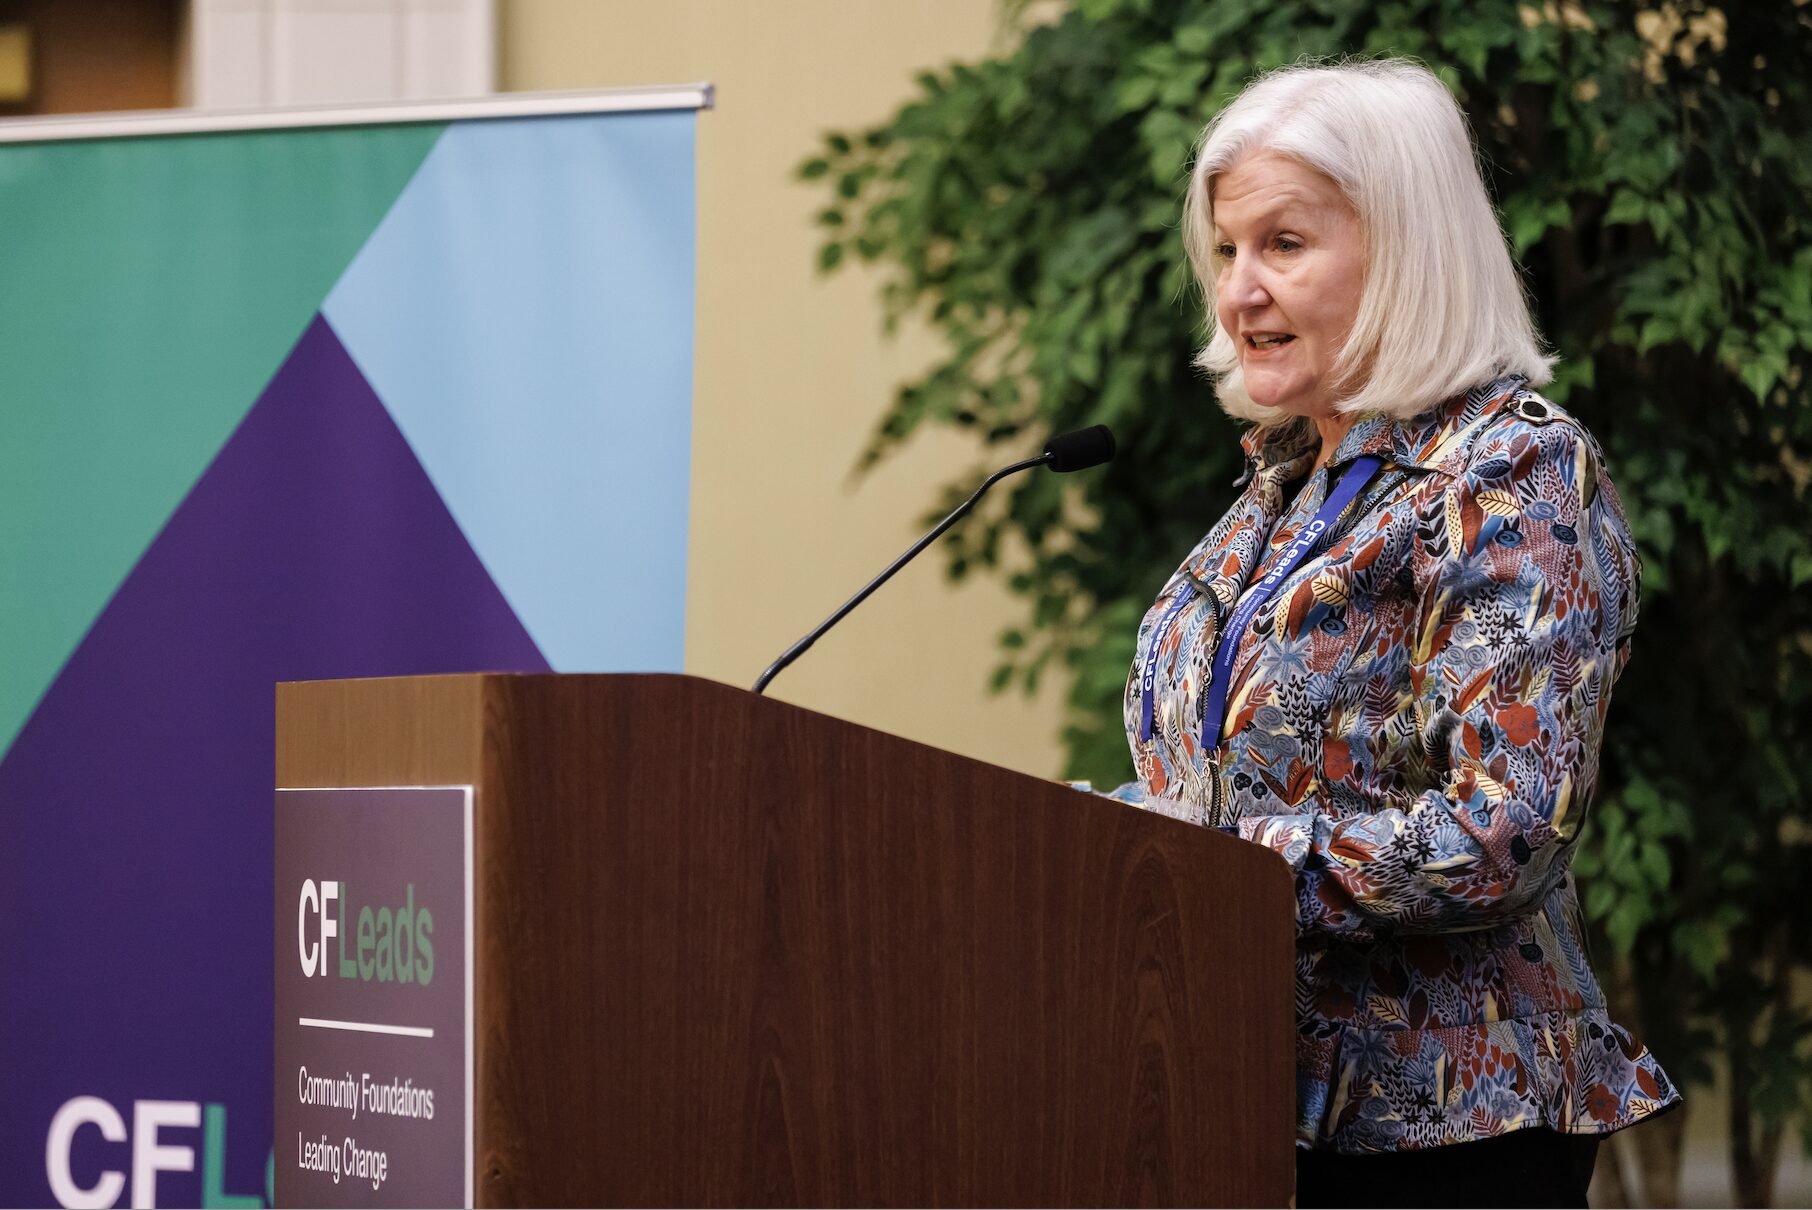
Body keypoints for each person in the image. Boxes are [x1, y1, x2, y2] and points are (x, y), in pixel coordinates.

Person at [1114, 58, 1679, 1207]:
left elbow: (1510, 825)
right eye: (1227, 250)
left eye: (1283, 244)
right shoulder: (1283, 482)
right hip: (1242, 1093)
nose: (1238, 290)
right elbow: (1210, 775)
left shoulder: (1508, 472)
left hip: (1447, 1133)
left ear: (1407, 248)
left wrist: (1225, 864)